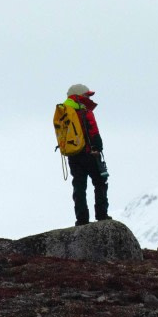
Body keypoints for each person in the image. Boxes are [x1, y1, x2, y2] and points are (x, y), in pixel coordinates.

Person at [63, 84, 111, 224]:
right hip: (90, 153)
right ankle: (101, 215)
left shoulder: (64, 111)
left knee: (79, 186)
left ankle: (82, 219)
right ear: (79, 95)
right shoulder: (84, 110)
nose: (88, 97)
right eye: (86, 95)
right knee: (100, 182)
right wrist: (98, 147)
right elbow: (93, 131)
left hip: (73, 155)